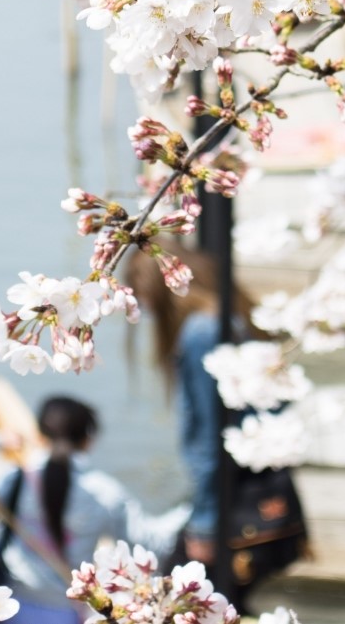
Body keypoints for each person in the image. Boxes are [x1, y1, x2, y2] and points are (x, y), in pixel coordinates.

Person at [124, 243, 303, 612]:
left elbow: (209, 437)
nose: (146, 313)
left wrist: (204, 524)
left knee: (180, 603)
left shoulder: (201, 333)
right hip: (250, 490)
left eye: (146, 300)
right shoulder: (235, 320)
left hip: (226, 500)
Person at [0, 397, 184, 624]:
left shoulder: (13, 480)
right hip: (69, 612)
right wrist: (190, 515)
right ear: (88, 440)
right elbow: (150, 542)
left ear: (39, 434)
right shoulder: (104, 493)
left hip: (13, 609)